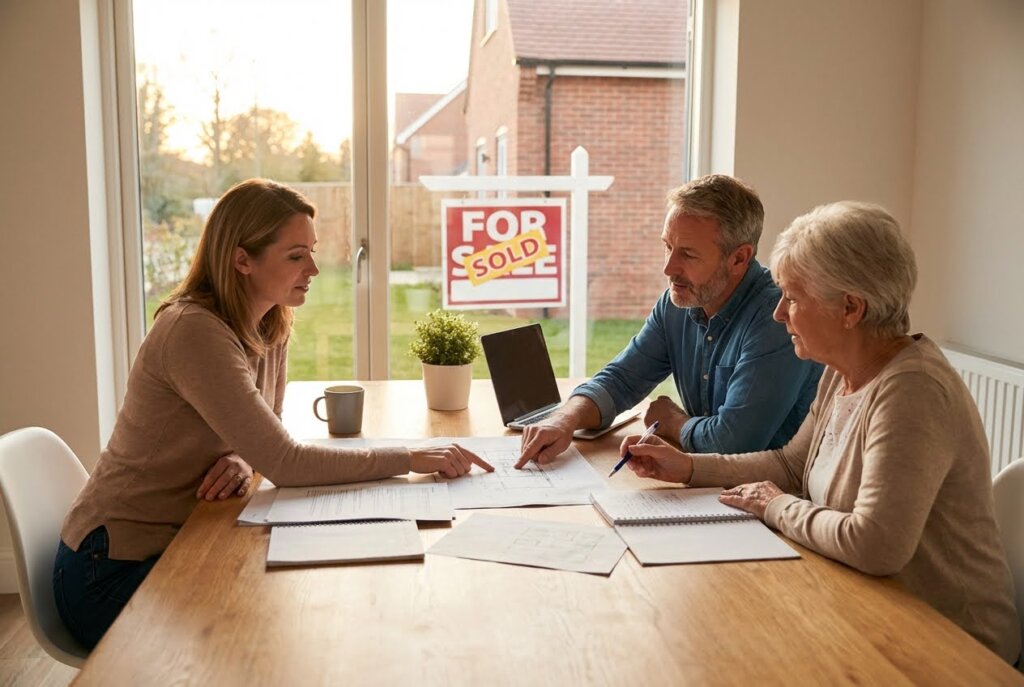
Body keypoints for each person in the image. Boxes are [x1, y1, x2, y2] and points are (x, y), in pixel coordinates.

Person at [53, 179, 494, 650]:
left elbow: (269, 430)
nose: (315, 269)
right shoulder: (193, 331)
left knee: (299, 622)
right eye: (295, 255)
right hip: (112, 566)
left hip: (185, 538)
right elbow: (287, 461)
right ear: (242, 259)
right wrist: (410, 456)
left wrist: (245, 458)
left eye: (312, 251)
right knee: (268, 643)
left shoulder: (269, 321)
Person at [622, 201, 1021, 663]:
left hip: (952, 644)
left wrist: (775, 506)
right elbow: (792, 465)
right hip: (870, 608)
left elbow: (875, 545)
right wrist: (689, 467)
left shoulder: (913, 391)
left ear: (850, 308)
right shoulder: (843, 370)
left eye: (792, 297)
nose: (778, 314)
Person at [517, 174, 822, 468]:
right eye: (667, 246)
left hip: (774, 499)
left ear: (739, 259)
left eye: (687, 254)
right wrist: (564, 419)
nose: (668, 268)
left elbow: (734, 444)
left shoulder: (777, 317)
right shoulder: (680, 301)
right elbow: (621, 380)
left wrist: (674, 423)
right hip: (710, 488)